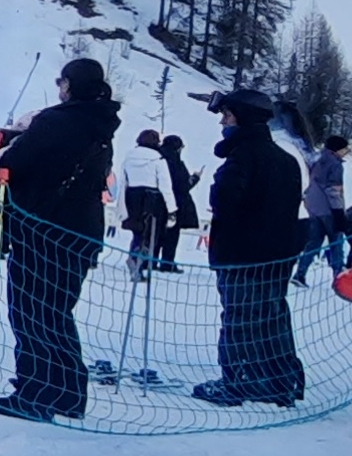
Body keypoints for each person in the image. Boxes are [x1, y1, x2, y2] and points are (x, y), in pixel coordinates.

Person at [0, 59, 118, 423]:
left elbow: (16, 164)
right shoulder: (101, 123)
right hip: (80, 231)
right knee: (57, 313)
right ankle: (68, 392)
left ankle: (36, 391)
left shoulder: (55, 121)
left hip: (41, 229)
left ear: (70, 85)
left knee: (31, 312)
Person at [194, 90, 307, 407]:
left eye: (227, 116)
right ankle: (281, 381)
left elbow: (225, 201)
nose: (222, 122)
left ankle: (240, 382)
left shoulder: (243, 156)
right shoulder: (286, 159)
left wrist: (219, 187)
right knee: (272, 317)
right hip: (278, 255)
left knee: (241, 318)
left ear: (241, 118)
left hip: (242, 254)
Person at [294, 133, 348, 286]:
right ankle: (339, 277)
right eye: (344, 149)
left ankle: (300, 274)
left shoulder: (316, 160)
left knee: (314, 243)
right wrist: (339, 213)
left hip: (314, 208)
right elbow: (333, 190)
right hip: (329, 210)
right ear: (336, 150)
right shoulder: (335, 165)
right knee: (336, 243)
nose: (346, 151)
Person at [121, 129, 172, 276]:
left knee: (137, 232)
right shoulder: (158, 159)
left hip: (132, 197)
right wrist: (171, 208)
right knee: (150, 234)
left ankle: (134, 254)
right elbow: (165, 185)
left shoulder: (129, 157)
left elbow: (124, 180)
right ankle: (140, 262)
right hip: (152, 199)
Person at [158, 131, 199, 271]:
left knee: (156, 233)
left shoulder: (157, 159)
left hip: (157, 202)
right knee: (171, 235)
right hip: (176, 204)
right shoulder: (176, 163)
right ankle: (167, 263)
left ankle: (149, 261)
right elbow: (183, 186)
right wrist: (195, 178)